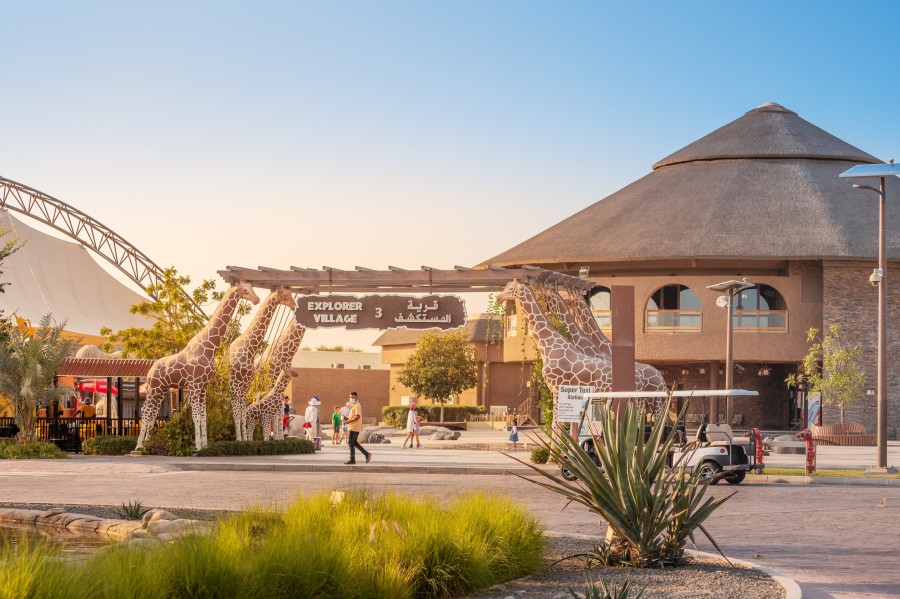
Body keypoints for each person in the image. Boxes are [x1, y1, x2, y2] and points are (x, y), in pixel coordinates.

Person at [344, 391, 371, 464]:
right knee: (354, 442)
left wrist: (349, 421)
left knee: (350, 443)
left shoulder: (357, 405)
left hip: (354, 427)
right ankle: (366, 454)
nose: (351, 398)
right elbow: (353, 416)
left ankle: (352, 459)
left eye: (353, 397)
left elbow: (357, 416)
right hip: (353, 426)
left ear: (356, 397)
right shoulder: (353, 405)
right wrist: (347, 418)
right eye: (350, 397)